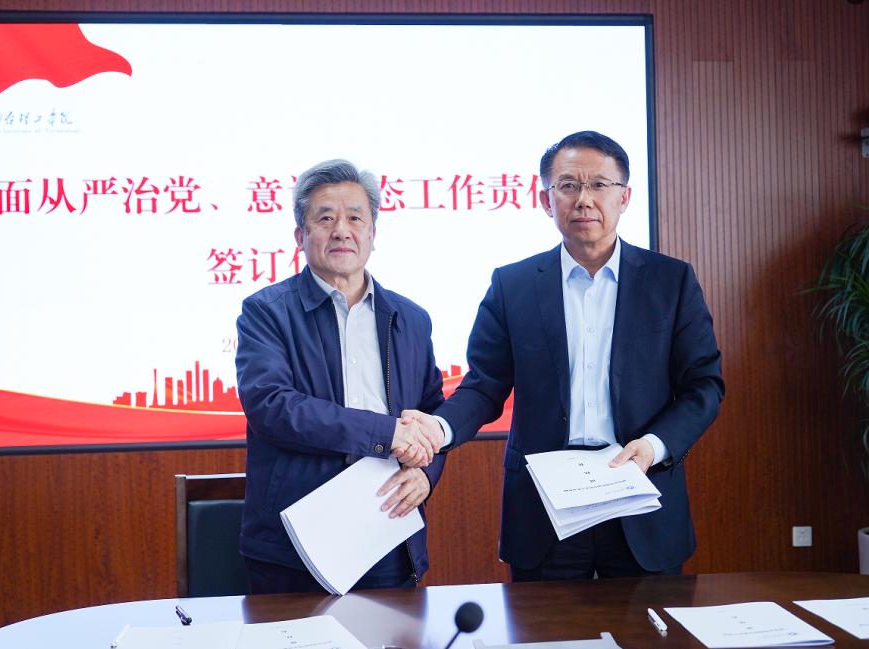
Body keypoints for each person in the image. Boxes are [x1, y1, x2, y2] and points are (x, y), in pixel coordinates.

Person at [405, 131, 725, 580]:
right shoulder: (513, 285)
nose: (583, 199)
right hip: (544, 507)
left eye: (599, 185)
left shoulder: (670, 282)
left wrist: (654, 447)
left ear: (625, 197)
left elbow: (703, 386)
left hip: (640, 492)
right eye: (569, 185)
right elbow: (484, 386)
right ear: (545, 199)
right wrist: (438, 429)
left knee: (647, 622)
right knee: (544, 622)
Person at [235, 158, 446, 594]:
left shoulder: (411, 318)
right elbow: (272, 407)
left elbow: (433, 414)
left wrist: (427, 474)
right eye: (325, 218)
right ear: (300, 236)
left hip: (388, 528)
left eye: (355, 218)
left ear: (373, 233)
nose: (342, 231)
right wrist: (387, 433)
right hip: (294, 543)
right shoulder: (266, 312)